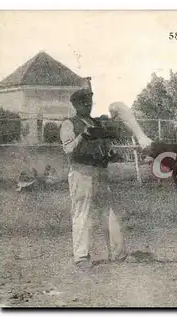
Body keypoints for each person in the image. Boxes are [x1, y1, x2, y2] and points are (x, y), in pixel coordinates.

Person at [60, 89, 127, 269]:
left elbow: (104, 147)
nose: (87, 105)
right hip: (81, 171)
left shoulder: (96, 123)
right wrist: (83, 135)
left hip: (99, 170)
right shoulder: (69, 124)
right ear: (75, 105)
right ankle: (81, 256)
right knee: (82, 213)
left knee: (109, 211)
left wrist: (112, 154)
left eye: (89, 102)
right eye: (83, 103)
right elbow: (68, 149)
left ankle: (118, 254)